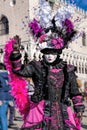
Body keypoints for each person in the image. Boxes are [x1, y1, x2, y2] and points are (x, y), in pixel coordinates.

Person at [4, 1, 85, 130]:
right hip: (40, 111)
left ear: (58, 53)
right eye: (47, 52)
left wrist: (79, 107)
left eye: (53, 53)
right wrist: (15, 53)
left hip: (62, 112)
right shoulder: (37, 66)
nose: (49, 56)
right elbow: (19, 70)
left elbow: (74, 91)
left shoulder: (67, 69)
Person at [0, 63, 14, 130]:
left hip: (1, 98)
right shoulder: (9, 76)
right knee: (3, 116)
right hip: (8, 98)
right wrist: (11, 99)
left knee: (2, 117)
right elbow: (11, 88)